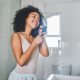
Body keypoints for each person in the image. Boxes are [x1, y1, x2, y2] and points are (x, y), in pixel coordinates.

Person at [8, 5, 49, 80]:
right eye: (34, 16)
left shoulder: (35, 38)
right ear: (25, 18)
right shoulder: (16, 35)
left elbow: (46, 54)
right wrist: (34, 43)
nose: (37, 20)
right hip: (18, 77)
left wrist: (42, 34)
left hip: (32, 77)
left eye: (38, 19)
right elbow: (21, 62)